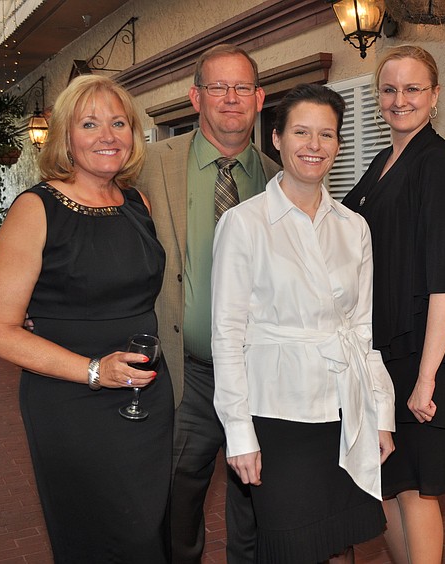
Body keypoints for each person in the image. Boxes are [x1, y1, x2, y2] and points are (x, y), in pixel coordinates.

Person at [0, 74, 172, 562]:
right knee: (101, 538)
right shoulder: (35, 209)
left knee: (148, 530)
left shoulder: (136, 203)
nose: (108, 136)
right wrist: (92, 370)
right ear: (66, 137)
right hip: (71, 404)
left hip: (145, 395)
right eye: (90, 124)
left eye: (119, 123)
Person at [211, 83, 395, 563]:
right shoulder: (243, 223)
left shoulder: (353, 226)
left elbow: (360, 330)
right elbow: (227, 336)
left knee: (342, 540)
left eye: (327, 135)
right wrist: (238, 433)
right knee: (292, 546)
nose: (314, 146)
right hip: (278, 413)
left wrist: (381, 413)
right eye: (302, 132)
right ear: (276, 138)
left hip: (344, 408)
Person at [136, 44, 280, 563]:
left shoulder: (279, 177)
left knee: (258, 508)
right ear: (196, 97)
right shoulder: (151, 166)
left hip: (262, 374)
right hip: (186, 374)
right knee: (175, 504)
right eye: (218, 87)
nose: (231, 98)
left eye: (242, 87)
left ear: (260, 98)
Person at [343, 45, 445, 564]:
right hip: (387, 351)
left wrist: (426, 377)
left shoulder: (438, 162)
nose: (399, 99)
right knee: (389, 489)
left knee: (417, 491)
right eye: (389, 89)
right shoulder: (383, 160)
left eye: (413, 89)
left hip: (423, 352)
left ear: (435, 96)